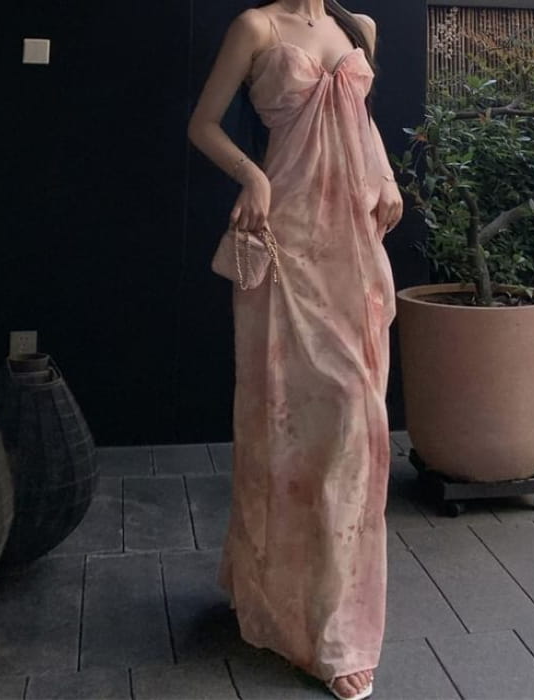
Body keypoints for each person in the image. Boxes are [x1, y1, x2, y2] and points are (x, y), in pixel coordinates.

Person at [187, 2, 402, 698]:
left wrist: (387, 176)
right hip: (287, 238)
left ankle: (334, 620)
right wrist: (253, 176)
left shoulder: (359, 26)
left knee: (357, 420)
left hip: (353, 243)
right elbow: (202, 124)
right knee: (284, 424)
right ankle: (283, 601)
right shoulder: (257, 28)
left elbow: (359, 122)